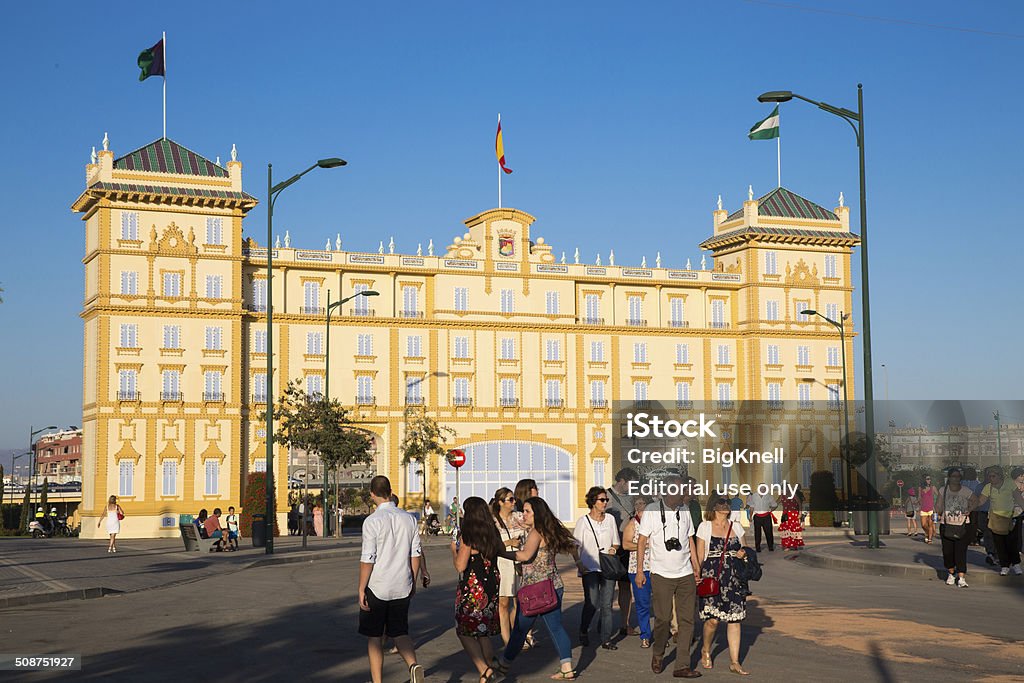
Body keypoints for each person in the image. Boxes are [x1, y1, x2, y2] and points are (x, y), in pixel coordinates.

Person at [494, 496, 582, 681]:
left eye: (527, 511)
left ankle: (503, 665)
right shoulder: (548, 530)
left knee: (519, 630)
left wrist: (501, 552)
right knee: (556, 628)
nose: (523, 514)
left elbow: (525, 555)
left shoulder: (536, 532)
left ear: (537, 514)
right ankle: (567, 668)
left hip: (535, 591)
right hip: (553, 586)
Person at [358, 475, 425, 683]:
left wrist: (361, 588)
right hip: (402, 584)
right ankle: (413, 666)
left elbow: (368, 558)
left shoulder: (372, 521)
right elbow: (416, 553)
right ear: (390, 491)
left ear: (372, 494)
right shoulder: (409, 519)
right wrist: (413, 580)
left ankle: (377, 681)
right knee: (400, 631)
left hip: (378, 585)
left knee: (375, 636)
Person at [635, 475, 702, 678]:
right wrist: (640, 570)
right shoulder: (652, 511)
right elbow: (642, 541)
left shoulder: (685, 510)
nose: (684, 494)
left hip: (685, 573)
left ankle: (682, 665)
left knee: (687, 620)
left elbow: (690, 538)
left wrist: (696, 564)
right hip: (661, 573)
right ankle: (658, 653)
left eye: (684, 490)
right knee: (663, 619)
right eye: (681, 490)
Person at [696, 495, 750, 675]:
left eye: (727, 502)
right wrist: (697, 575)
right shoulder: (705, 527)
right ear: (714, 506)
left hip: (734, 576)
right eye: (722, 502)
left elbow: (746, 551)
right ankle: (706, 649)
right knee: (712, 620)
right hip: (713, 577)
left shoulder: (736, 526)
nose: (726, 505)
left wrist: (743, 555)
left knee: (735, 620)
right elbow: (699, 556)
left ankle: (734, 662)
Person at [453, 497, 504, 683]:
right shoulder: (492, 533)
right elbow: (500, 551)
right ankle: (490, 666)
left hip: (473, 587)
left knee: (464, 631)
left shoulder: (468, 536)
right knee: (482, 631)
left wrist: (454, 550)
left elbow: (460, 566)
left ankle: (484, 669)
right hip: (491, 583)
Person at [574, 486, 621, 650]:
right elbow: (575, 546)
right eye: (602, 500)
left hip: (607, 567)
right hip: (590, 567)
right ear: (593, 502)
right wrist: (580, 564)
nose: (605, 503)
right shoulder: (583, 521)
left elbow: (616, 541)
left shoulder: (610, 520)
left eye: (606, 499)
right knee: (592, 602)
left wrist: (613, 549)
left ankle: (606, 639)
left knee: (607, 604)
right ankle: (583, 629)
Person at [605, 468, 639, 638]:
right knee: (608, 588)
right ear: (622, 480)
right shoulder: (605, 496)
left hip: (626, 547)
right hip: (611, 548)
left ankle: (625, 624)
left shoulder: (632, 498)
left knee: (626, 587)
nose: (632, 487)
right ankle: (604, 622)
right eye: (630, 484)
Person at [492, 487, 525, 646]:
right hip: (501, 563)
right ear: (500, 502)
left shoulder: (520, 517)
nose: (514, 502)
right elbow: (490, 546)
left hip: (519, 562)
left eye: (514, 499)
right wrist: (509, 543)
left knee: (521, 602)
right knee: (503, 603)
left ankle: (520, 635)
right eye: (510, 499)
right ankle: (507, 641)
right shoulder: (492, 521)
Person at [935, 467, 977, 587]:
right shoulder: (943, 490)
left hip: (962, 524)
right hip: (946, 524)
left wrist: (969, 509)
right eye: (953, 476)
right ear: (949, 477)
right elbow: (938, 505)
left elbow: (976, 500)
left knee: (961, 552)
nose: (956, 479)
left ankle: (961, 577)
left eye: (958, 476)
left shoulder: (966, 491)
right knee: (948, 552)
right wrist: (937, 511)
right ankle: (951, 573)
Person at [976, 467, 1022, 575]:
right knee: (999, 543)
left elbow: (1018, 498)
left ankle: (1016, 564)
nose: (991, 478)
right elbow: (981, 501)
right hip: (996, 518)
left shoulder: (1009, 484)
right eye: (989, 476)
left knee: (1012, 542)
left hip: (1011, 517)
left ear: (1000, 476)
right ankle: (1004, 566)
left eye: (993, 476)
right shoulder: (988, 487)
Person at [622, 495, 654, 648]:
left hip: (657, 567)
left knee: (661, 604)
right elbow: (626, 545)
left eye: (642, 503)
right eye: (637, 503)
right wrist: (644, 545)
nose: (639, 506)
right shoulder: (633, 523)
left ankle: (662, 634)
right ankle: (645, 635)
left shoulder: (655, 522)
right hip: (637, 568)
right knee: (642, 603)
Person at [746, 487, 777, 553]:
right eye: (761, 488)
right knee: (757, 533)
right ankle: (758, 548)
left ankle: (770, 547)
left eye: (764, 488)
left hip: (766, 516)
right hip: (757, 516)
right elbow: (751, 507)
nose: (762, 489)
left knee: (769, 532)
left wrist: (770, 510)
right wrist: (750, 517)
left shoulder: (769, 496)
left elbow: (775, 505)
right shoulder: (754, 496)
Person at [779, 485, 805, 550]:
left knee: (793, 529)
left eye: (786, 488)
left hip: (793, 514)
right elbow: (776, 503)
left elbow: (799, 503)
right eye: (783, 489)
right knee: (785, 530)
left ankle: (794, 545)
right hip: (785, 515)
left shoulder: (793, 494)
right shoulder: (782, 495)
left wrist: (800, 513)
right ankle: (786, 545)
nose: (785, 490)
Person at [918, 475, 939, 544]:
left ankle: (929, 539)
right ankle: (928, 533)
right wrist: (918, 504)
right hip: (923, 509)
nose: (929, 480)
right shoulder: (920, 488)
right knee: (923, 525)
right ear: (924, 480)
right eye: (927, 479)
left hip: (931, 509)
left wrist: (937, 505)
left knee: (930, 524)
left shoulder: (933, 488)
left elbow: (939, 496)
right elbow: (919, 498)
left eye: (930, 479)